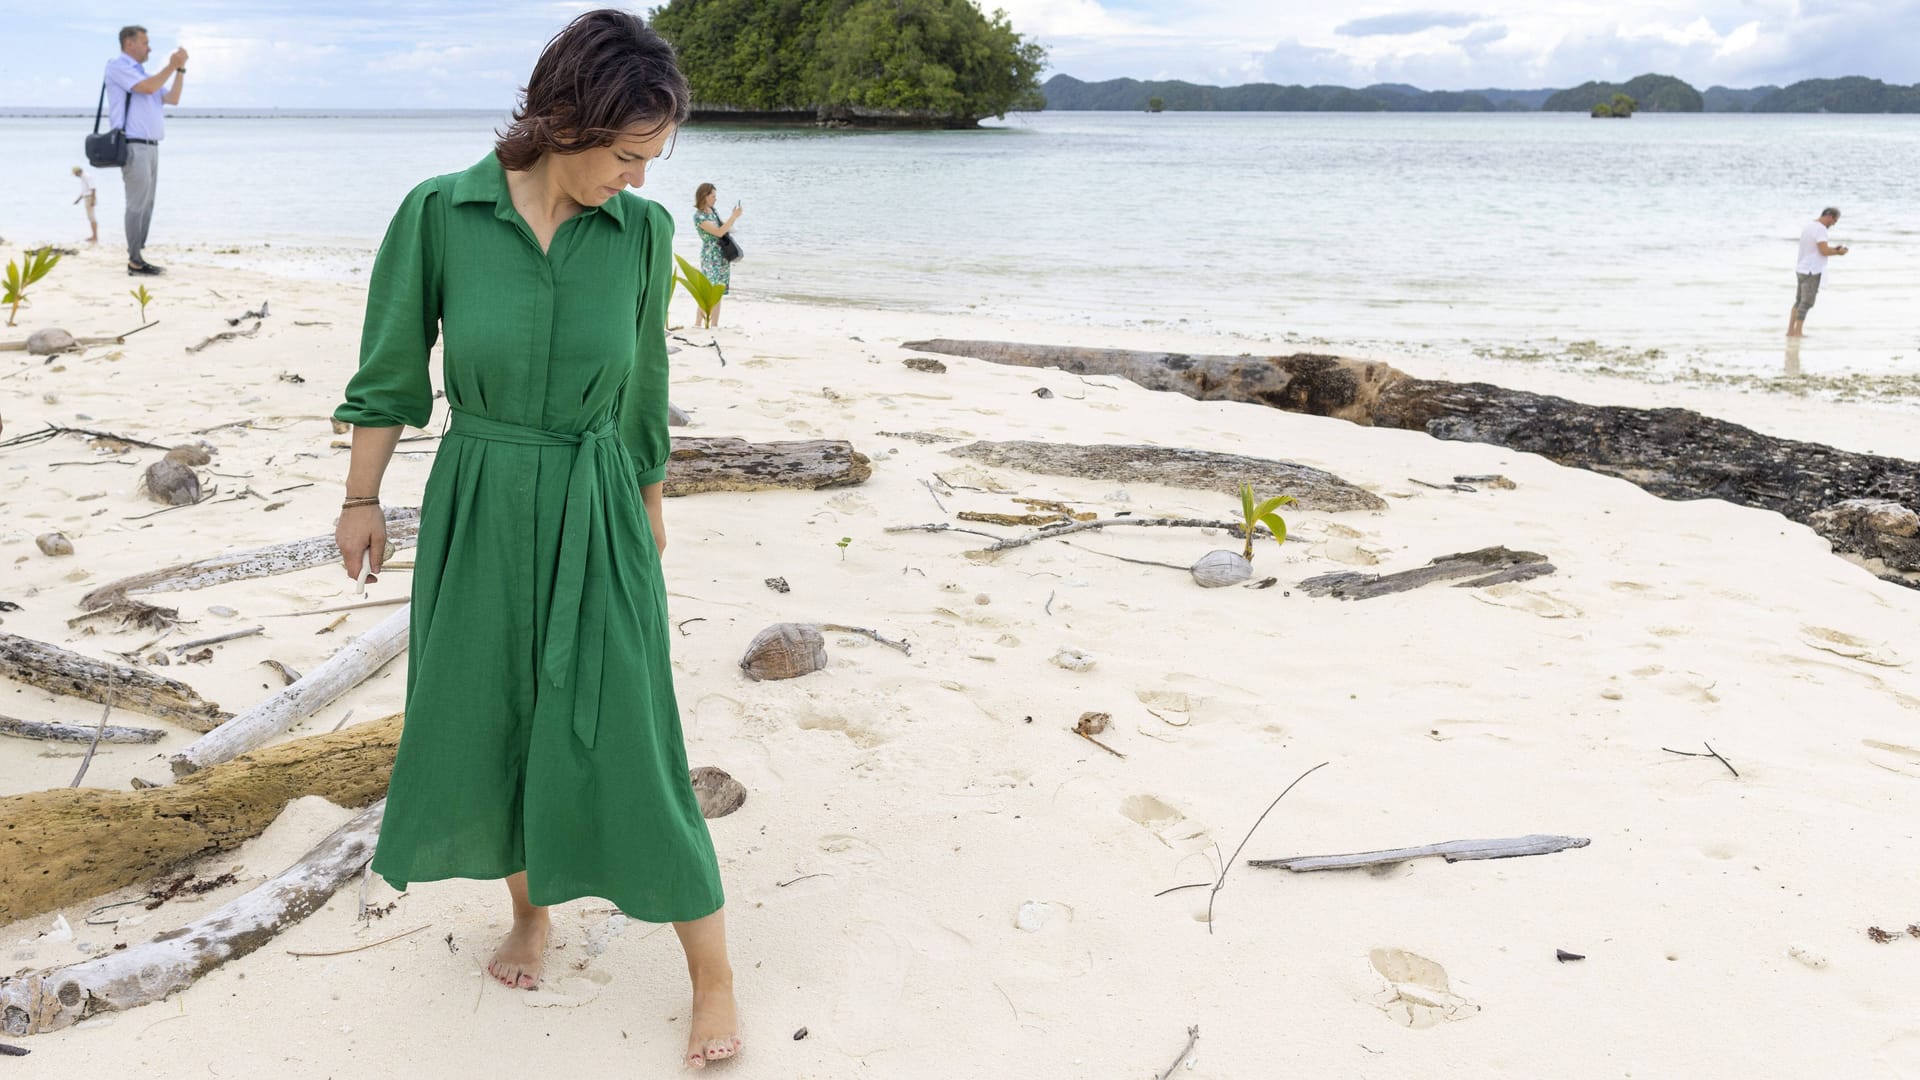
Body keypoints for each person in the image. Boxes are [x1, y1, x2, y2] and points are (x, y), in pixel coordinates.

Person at [331, 10, 739, 1069]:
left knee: (637, 735)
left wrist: (649, 498)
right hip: (478, 495)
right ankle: (531, 911)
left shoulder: (644, 236)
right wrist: (360, 498)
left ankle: (714, 973)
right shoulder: (439, 213)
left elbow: (647, 380)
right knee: (499, 715)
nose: (641, 181)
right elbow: (387, 372)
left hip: (597, 495)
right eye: (628, 155)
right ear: (566, 120)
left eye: (657, 159)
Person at [104, 25, 185, 276]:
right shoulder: (118, 67)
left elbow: (172, 98)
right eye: (145, 42)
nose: (149, 48)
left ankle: (139, 256)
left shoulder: (144, 74)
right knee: (136, 204)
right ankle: (134, 260)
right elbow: (148, 88)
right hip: (133, 144)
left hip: (151, 146)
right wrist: (171, 65)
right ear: (130, 44)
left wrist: (180, 69)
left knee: (147, 204)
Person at [1788, 207, 1847, 338]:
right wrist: (1839, 252)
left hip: (1802, 268)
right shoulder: (1821, 229)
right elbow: (1824, 251)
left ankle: (1790, 331)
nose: (1834, 224)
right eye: (1835, 221)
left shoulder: (1810, 226)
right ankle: (1798, 333)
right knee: (1806, 302)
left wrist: (1834, 249)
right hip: (1811, 270)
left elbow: (1818, 249)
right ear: (1830, 216)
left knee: (1798, 301)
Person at [691, 183, 741, 328]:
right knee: (709, 290)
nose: (715, 199)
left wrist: (733, 219)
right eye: (713, 196)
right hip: (710, 256)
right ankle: (698, 323)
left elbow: (724, 228)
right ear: (704, 196)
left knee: (719, 291)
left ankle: (714, 325)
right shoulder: (699, 216)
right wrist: (733, 216)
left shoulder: (713, 211)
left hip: (722, 254)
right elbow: (718, 232)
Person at [72, 166, 98, 245]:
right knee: (90, 217)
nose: (75, 175)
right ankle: (93, 236)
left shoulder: (87, 176)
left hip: (90, 198)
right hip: (87, 198)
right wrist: (78, 200)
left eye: (75, 174)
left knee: (92, 217)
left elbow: (93, 189)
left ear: (78, 172)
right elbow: (84, 191)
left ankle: (95, 236)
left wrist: (93, 200)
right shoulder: (83, 178)